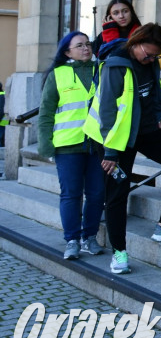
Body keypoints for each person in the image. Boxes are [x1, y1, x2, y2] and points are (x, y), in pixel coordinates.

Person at [84, 23, 161, 275]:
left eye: (155, 55)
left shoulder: (151, 61)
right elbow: (107, 111)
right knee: (117, 193)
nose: (150, 59)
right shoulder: (115, 66)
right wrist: (110, 152)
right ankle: (119, 253)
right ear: (135, 43)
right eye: (147, 53)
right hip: (115, 138)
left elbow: (155, 93)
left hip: (147, 129)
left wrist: (159, 114)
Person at [37, 31, 105, 260]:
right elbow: (46, 113)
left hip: (97, 145)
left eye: (88, 44)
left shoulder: (102, 70)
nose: (86, 48)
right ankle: (72, 240)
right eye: (79, 45)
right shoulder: (58, 75)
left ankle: (90, 237)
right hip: (68, 146)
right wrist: (45, 145)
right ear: (67, 52)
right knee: (71, 195)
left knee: (96, 195)